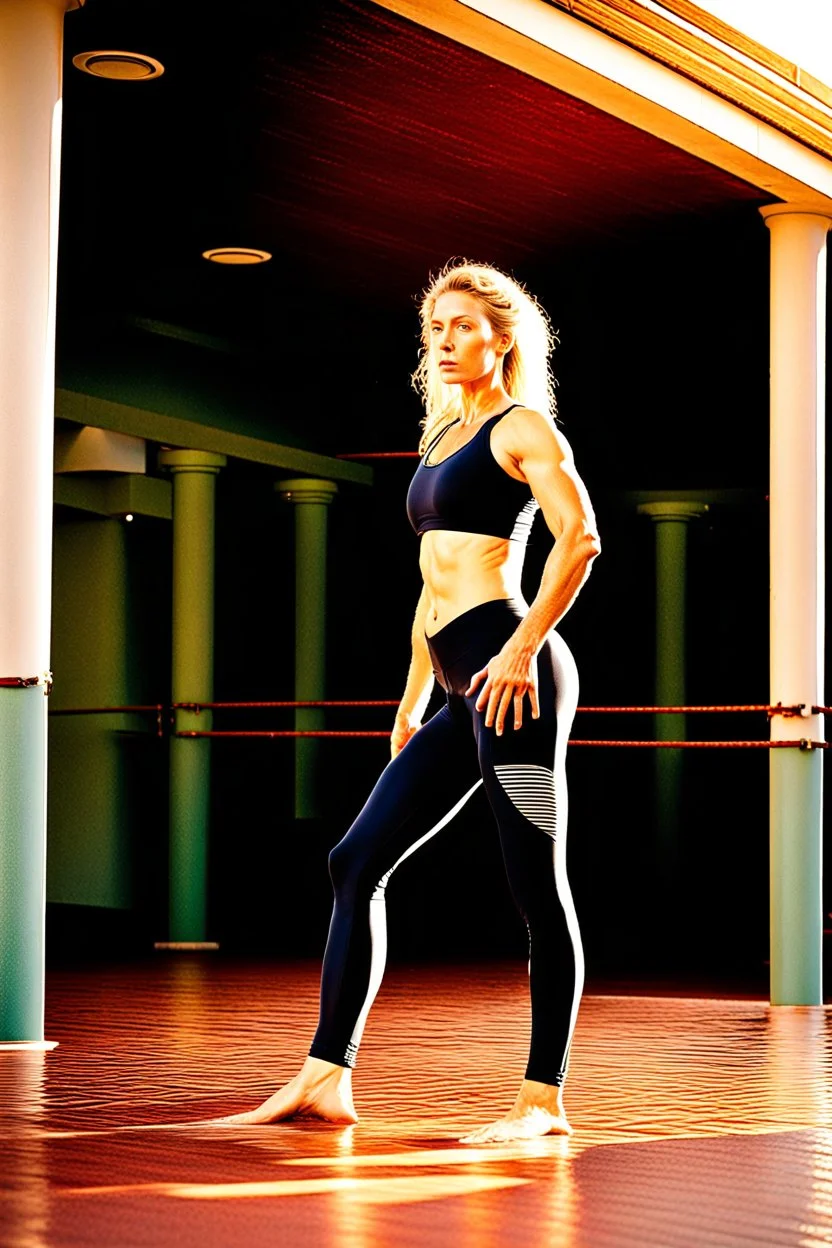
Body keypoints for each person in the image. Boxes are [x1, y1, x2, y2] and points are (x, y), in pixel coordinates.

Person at [222, 260, 600, 1142]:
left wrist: (520, 649)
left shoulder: (522, 428)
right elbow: (430, 587)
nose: (444, 340)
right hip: (455, 676)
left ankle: (542, 1099)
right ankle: (325, 1077)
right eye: (435, 326)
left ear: (501, 336)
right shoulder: (439, 440)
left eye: (463, 325)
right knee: (355, 862)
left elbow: (578, 539)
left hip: (516, 676)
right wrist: (414, 696)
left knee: (536, 887)